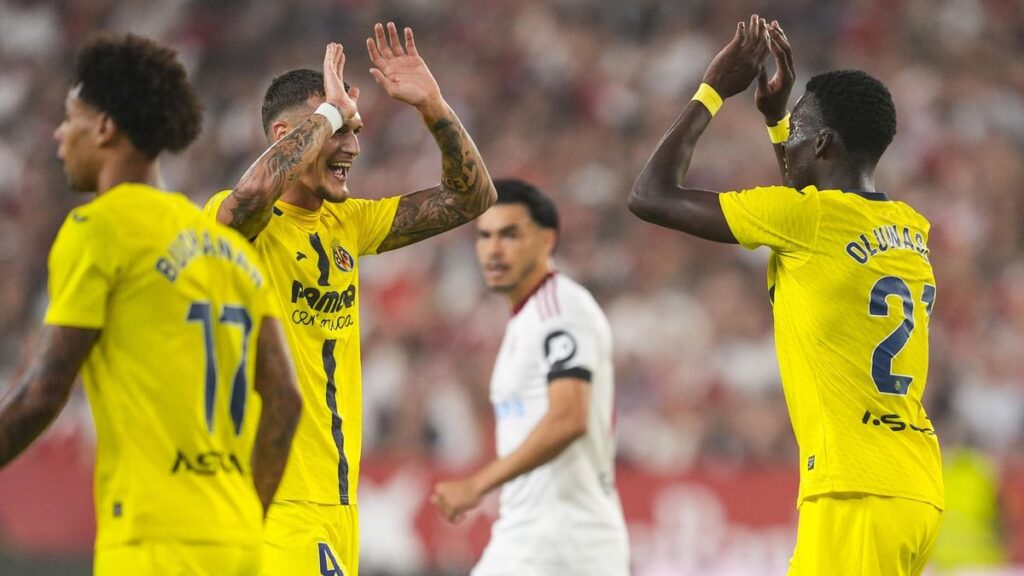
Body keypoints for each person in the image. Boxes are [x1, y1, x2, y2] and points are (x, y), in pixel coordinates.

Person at [628, 15, 944, 575]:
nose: (788, 141)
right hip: (913, 487)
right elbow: (810, 206)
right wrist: (778, 121)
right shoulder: (910, 228)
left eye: (798, 130)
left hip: (855, 490)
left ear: (822, 143)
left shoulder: (808, 221)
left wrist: (712, 91)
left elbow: (650, 194)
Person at [0, 33, 302, 575]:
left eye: (70, 118)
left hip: (153, 542)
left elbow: (41, 395)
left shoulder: (99, 229)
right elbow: (284, 398)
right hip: (240, 547)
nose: (59, 133)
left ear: (105, 128)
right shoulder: (225, 247)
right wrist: (245, 517)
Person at [204, 22, 496, 576]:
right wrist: (328, 114)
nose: (353, 147)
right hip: (272, 502)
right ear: (288, 134)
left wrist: (432, 105)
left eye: (354, 130)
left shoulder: (348, 223)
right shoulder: (239, 223)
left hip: (337, 506)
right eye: (340, 130)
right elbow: (248, 199)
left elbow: (472, 197)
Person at [432, 179, 630, 576]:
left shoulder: (560, 310)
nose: (493, 249)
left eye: (509, 234)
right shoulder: (528, 317)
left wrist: (478, 485)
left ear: (546, 240)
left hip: (562, 541)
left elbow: (569, 416)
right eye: (484, 236)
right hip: (532, 536)